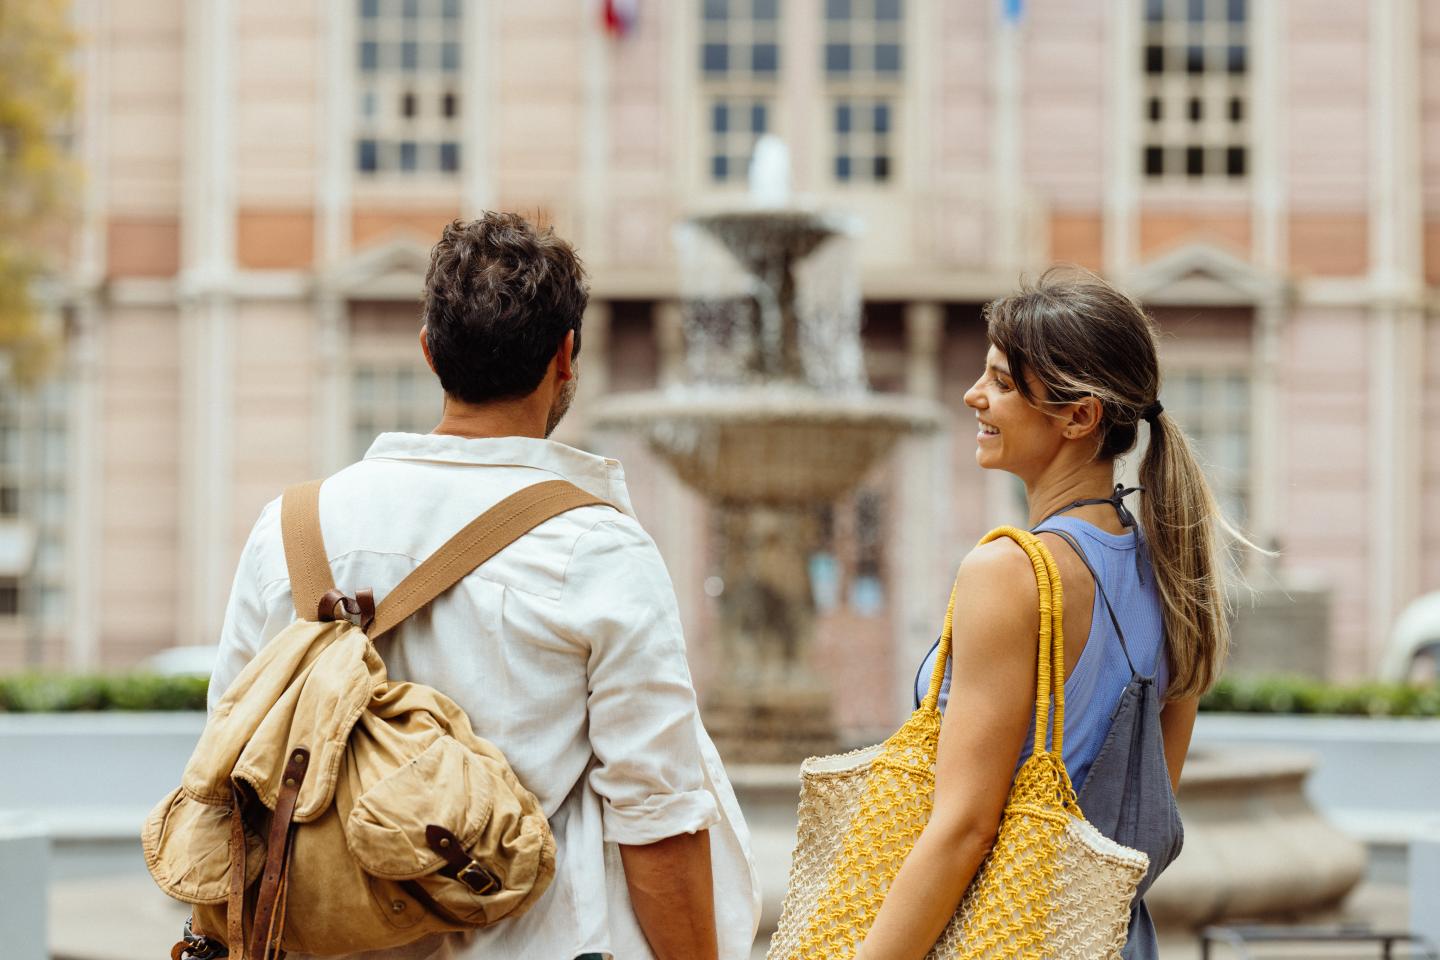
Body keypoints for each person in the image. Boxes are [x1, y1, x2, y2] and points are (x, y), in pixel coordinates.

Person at [209, 213, 760, 960]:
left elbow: (230, 764)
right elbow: (655, 815)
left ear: (430, 352)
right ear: (566, 356)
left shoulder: (290, 530)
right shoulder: (597, 548)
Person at [859, 269, 1248, 960]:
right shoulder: (1172, 569)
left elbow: (964, 830)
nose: (973, 396)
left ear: (1080, 416)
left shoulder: (1008, 573)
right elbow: (1141, 820)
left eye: (1003, 383)